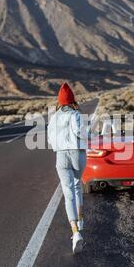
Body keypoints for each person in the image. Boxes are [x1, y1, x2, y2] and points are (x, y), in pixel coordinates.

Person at [48, 82, 88, 254]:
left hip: (61, 156)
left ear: (59, 101)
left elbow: (50, 140)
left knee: (68, 192)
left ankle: (75, 231)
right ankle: (80, 219)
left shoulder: (53, 117)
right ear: (72, 101)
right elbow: (80, 132)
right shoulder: (76, 115)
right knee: (78, 184)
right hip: (77, 153)